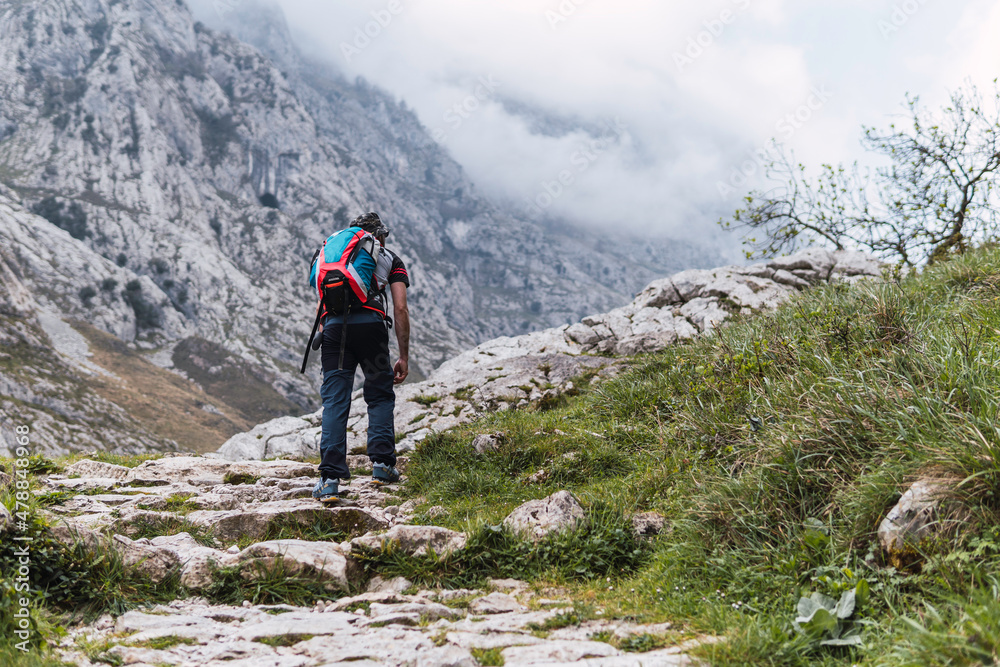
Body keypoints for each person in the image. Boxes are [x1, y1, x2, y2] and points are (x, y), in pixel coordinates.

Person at [311, 212, 410, 502]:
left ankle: (329, 479)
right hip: (371, 331)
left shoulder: (330, 254)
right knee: (379, 394)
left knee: (335, 400)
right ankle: (382, 465)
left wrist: (327, 330)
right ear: (377, 235)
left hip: (333, 332)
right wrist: (403, 355)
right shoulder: (390, 259)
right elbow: (401, 308)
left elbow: (325, 301)